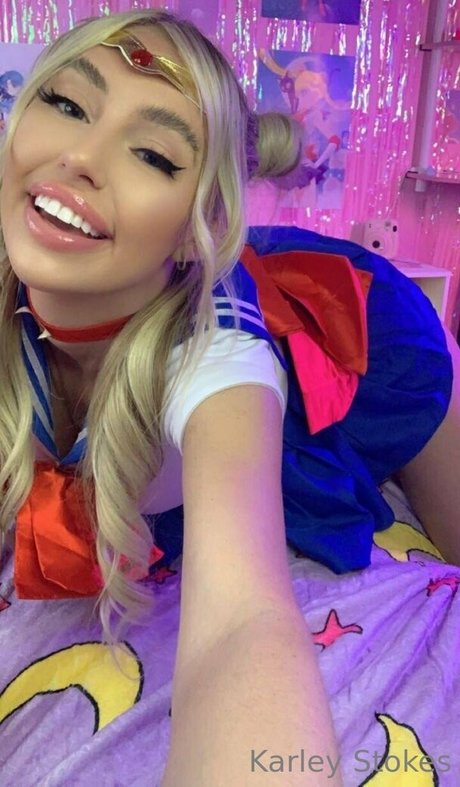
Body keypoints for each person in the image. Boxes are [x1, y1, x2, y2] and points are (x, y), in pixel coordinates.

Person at [0, 9, 343, 786]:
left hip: (364, 329)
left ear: (197, 228)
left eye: (153, 154)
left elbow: (243, 624)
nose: (80, 157)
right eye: (66, 103)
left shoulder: (220, 357)